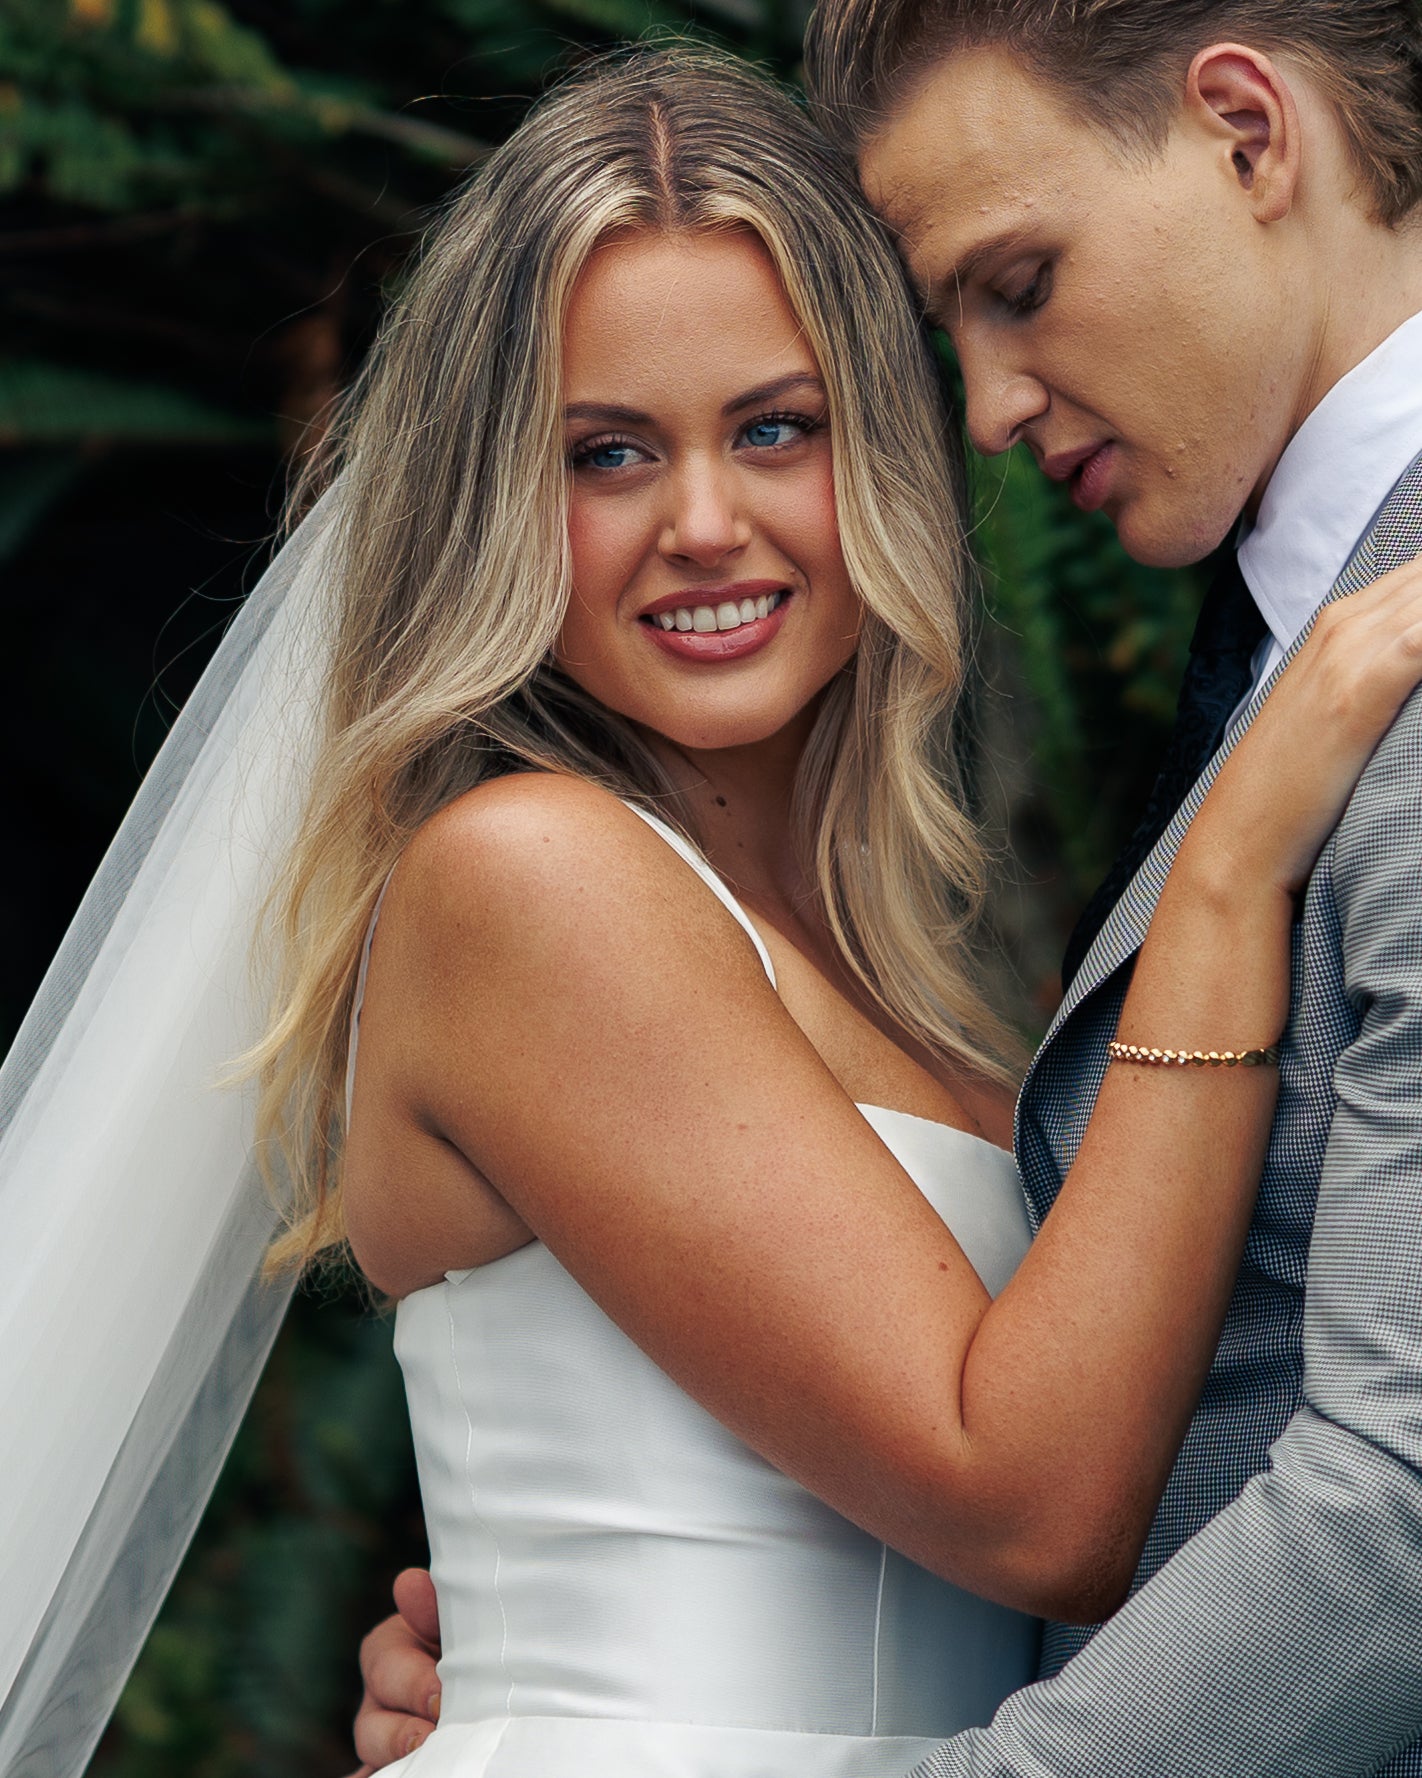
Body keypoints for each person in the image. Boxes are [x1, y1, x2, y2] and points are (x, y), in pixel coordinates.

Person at [329, 30, 1422, 1778]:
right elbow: (1033, 1494)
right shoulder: (525, 875)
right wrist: (1228, 867)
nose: (701, 521)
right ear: (495, 505)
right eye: (604, 454)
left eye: (775, 427)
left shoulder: (919, 989)